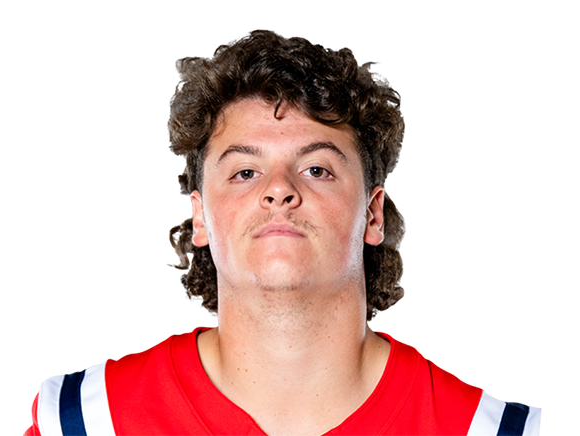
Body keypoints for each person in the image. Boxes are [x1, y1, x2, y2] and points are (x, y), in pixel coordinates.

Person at [28, 30, 541, 436]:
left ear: (373, 215)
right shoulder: (70, 423)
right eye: (244, 172)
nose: (279, 189)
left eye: (316, 169)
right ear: (200, 218)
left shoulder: (497, 430)